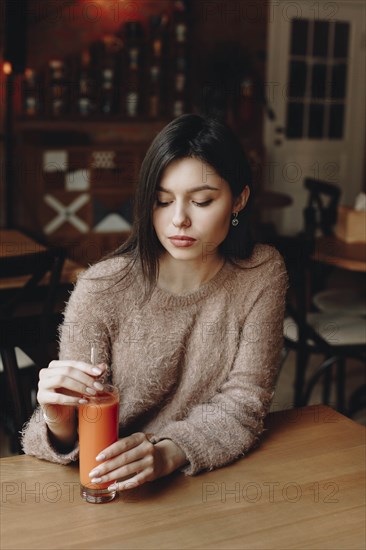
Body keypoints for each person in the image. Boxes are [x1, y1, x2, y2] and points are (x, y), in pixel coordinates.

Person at [22, 114, 288, 492]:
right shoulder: (102, 288)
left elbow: (244, 405)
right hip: (109, 487)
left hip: (205, 482)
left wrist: (169, 452)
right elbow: (82, 427)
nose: (178, 219)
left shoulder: (261, 273)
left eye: (201, 201)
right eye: (162, 201)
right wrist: (59, 421)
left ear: (239, 200)